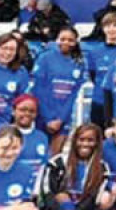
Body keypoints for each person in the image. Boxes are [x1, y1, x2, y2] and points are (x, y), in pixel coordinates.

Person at [38, 123, 114, 210]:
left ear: (97, 143)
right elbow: (47, 193)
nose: (85, 143)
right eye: (81, 139)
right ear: (75, 141)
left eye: (90, 140)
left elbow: (92, 199)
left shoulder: (102, 167)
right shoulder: (57, 162)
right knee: (62, 195)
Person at [30, 26, 87, 154]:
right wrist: (48, 118)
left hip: (63, 119)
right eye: (63, 39)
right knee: (39, 156)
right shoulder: (44, 58)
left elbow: (73, 96)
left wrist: (61, 119)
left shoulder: (79, 63)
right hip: (43, 116)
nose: (66, 42)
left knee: (55, 160)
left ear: (76, 42)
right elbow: (38, 90)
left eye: (70, 40)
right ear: (57, 40)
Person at [0, 94, 49, 183]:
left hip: (33, 189)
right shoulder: (1, 133)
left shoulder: (42, 137)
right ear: (13, 111)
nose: (27, 114)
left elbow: (44, 166)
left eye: (32, 111)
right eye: (22, 110)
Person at [86, 12, 116, 127]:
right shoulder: (94, 52)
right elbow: (93, 75)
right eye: (108, 26)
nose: (111, 29)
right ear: (103, 28)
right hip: (99, 102)